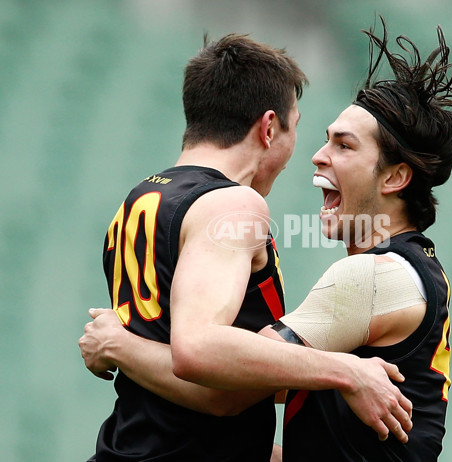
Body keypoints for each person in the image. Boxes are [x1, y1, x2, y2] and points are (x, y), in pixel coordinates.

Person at [79, 32, 413, 462]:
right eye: (296, 128)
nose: (306, 154)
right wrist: (346, 371)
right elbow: (207, 368)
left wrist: (119, 346)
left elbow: (197, 398)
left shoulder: (142, 198)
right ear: (269, 127)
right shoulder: (235, 203)